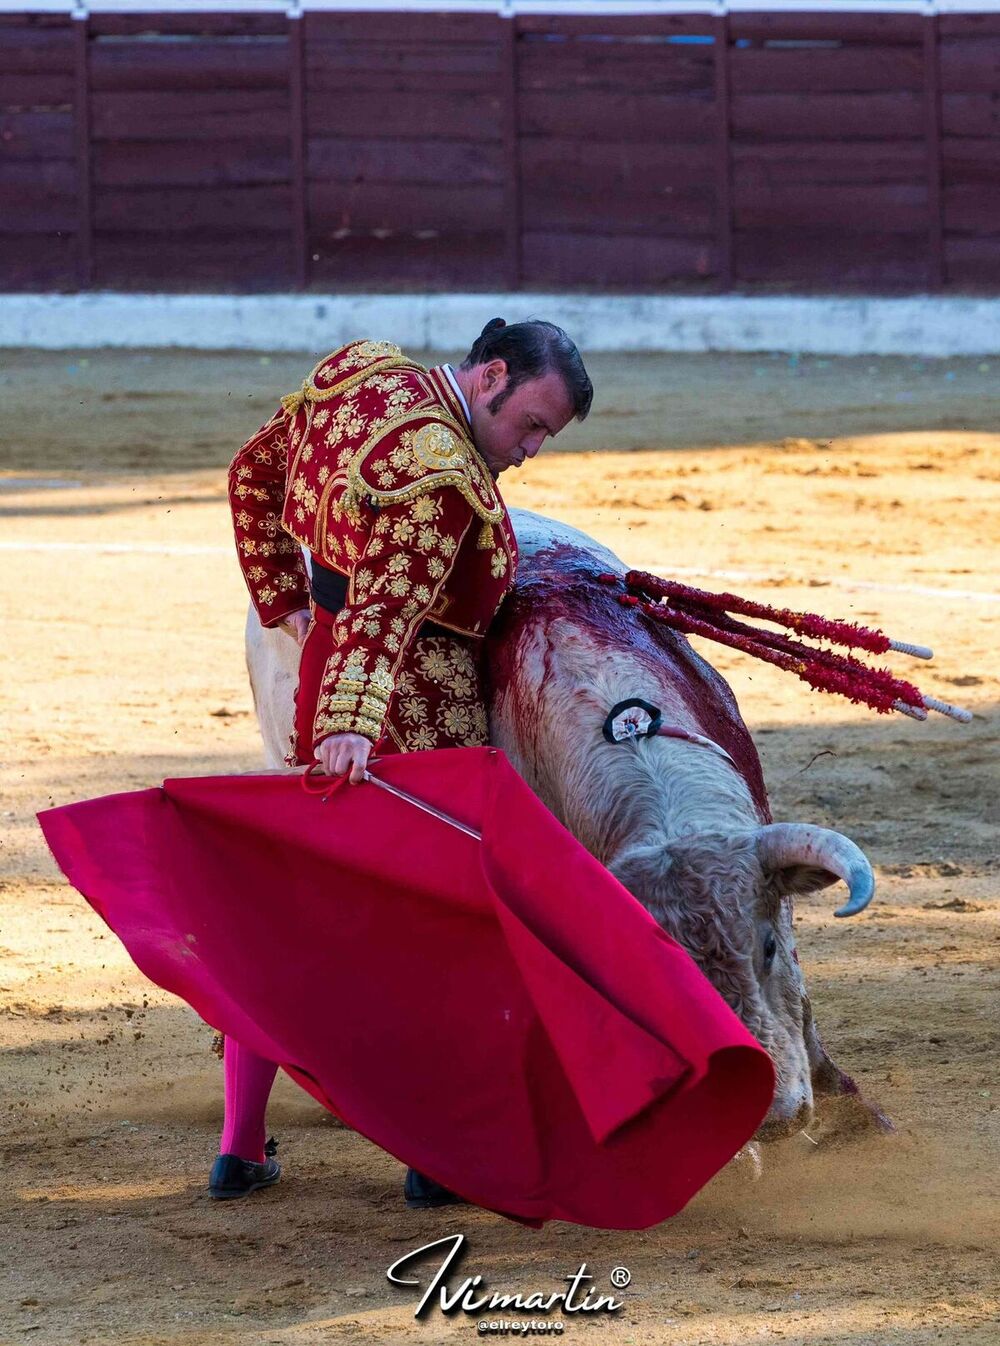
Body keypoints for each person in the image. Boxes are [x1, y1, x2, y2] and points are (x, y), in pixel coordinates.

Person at [216, 318, 593, 1205]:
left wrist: (287, 603)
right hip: (413, 709)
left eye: (546, 438)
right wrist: (354, 724)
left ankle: (239, 1146)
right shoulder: (447, 477)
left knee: (296, 916)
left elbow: (251, 474)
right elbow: (389, 611)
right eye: (529, 425)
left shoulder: (359, 370)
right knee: (447, 925)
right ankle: (434, 1157)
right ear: (492, 375)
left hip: (323, 670)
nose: (530, 452)